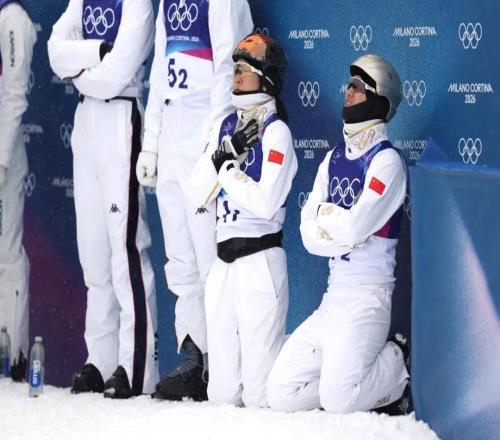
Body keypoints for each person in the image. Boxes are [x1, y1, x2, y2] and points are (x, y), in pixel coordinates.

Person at [267, 54, 411, 414]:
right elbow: (308, 235)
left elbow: (355, 227)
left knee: (337, 401)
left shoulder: (387, 162)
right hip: (332, 300)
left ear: (379, 100)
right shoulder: (332, 158)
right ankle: (342, 382)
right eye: (349, 84)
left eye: (358, 87)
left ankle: (397, 360)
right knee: (279, 393)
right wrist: (341, 226)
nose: (348, 91)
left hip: (368, 300)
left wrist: (329, 218)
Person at [135, 0, 253, 401]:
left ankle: (223, 363)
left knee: (210, 258)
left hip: (204, 132)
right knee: (180, 258)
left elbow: (230, 70)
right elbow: (159, 71)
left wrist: (215, 141)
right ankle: (194, 356)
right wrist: (151, 142)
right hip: (172, 132)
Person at [48, 0, 158, 399]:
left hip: (120, 117)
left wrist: (77, 70)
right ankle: (101, 359)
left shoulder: (138, 4)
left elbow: (117, 74)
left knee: (124, 248)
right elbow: (54, 50)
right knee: (93, 250)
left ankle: (135, 367)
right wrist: (96, 52)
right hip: (86, 119)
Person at [190, 33, 297, 407]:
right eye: (234, 67)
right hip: (223, 265)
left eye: (245, 68)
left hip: (259, 260)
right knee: (221, 395)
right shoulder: (225, 126)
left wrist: (227, 170)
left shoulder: (277, 132)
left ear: (266, 77)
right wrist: (229, 150)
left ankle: (297, 369)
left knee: (259, 396)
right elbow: (196, 191)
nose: (236, 75)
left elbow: (266, 203)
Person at [0, 0, 36, 382]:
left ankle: (14, 356)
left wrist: (2, 159)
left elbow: (14, 94)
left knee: (6, 255)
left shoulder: (13, 18)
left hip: (4, 160)